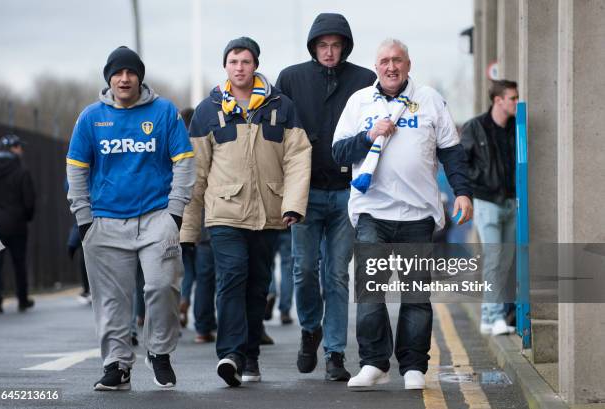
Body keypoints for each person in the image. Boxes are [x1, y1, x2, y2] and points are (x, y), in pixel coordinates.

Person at [332, 38, 473, 389]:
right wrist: (369, 135)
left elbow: (452, 153)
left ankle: (413, 366)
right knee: (370, 293)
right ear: (376, 66)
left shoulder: (430, 101)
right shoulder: (359, 102)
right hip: (371, 213)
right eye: (384, 61)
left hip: (417, 215)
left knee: (415, 295)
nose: (391, 67)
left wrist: (463, 193)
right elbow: (338, 152)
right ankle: (374, 364)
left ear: (408, 64)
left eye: (397, 60)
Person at [180, 37, 311, 387]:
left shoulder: (281, 106)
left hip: (269, 212)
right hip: (223, 212)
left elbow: (298, 158)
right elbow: (197, 173)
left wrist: (293, 204)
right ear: (226, 66)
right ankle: (231, 354)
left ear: (256, 65)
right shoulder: (208, 111)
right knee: (232, 276)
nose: (239, 67)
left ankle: (250, 353)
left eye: (246, 61)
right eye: (233, 61)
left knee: (257, 286)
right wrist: (188, 230)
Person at [66, 46, 195, 391]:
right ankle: (117, 366)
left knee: (161, 286)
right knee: (111, 300)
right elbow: (76, 168)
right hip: (105, 222)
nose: (125, 79)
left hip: (156, 219)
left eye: (131, 73)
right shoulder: (91, 118)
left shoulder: (165, 112)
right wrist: (84, 220)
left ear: (140, 77)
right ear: (109, 78)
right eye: (118, 73)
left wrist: (175, 214)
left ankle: (160, 352)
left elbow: (184, 162)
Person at [276, 12, 376, 382]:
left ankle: (335, 352)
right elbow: (277, 136)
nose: (329, 52)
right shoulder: (290, 78)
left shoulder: (365, 79)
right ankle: (309, 331)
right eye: (323, 45)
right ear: (313, 46)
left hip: (348, 194)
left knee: (336, 274)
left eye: (336, 45)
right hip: (304, 192)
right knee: (303, 270)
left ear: (345, 47)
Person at [460, 79, 519, 336]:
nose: (517, 102)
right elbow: (462, 162)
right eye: (513, 98)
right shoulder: (476, 127)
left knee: (504, 261)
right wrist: (475, 186)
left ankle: (487, 317)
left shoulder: (515, 129)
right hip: (486, 202)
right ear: (498, 100)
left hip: (509, 201)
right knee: (495, 258)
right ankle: (496, 316)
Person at [177, 107, 217, 344]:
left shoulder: (179, 147)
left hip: (186, 219)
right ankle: (212, 323)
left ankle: (201, 326)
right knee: (219, 276)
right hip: (211, 215)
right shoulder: (209, 141)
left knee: (197, 274)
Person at [0, 134, 36, 314]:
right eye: (19, 146)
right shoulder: (22, 170)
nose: (21, 150)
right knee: (19, 263)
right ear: (12, 148)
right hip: (17, 224)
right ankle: (22, 299)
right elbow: (29, 200)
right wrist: (26, 216)